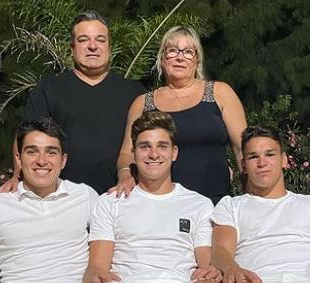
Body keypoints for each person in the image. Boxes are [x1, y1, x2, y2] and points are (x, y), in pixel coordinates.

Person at [0, 10, 145, 194]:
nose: (93, 46)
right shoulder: (48, 89)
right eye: (84, 40)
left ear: (109, 47)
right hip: (60, 201)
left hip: (119, 198)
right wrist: (17, 176)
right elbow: (26, 137)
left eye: (100, 40)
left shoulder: (135, 93)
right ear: (72, 48)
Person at [0, 118, 98, 283]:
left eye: (51, 152)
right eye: (32, 152)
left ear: (63, 160)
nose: (42, 160)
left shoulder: (84, 196)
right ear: (18, 159)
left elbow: (117, 244)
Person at [211, 126, 310, 283]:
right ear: (243, 165)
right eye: (253, 157)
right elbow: (221, 250)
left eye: (270, 154)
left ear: (284, 160)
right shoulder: (231, 206)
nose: (262, 162)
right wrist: (230, 268)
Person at [83, 111, 222, 283]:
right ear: (133, 153)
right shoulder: (110, 202)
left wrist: (209, 277)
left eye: (162, 146)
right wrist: (96, 276)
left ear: (174, 152)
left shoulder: (199, 205)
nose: (154, 154)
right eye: (145, 146)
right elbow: (97, 267)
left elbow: (206, 266)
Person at [115, 26, 247, 204]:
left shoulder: (220, 92)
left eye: (188, 52)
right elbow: (127, 152)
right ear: (162, 59)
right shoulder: (142, 103)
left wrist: (252, 194)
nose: (179, 57)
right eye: (172, 51)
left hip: (215, 203)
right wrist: (125, 173)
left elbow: (243, 149)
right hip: (158, 205)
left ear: (197, 60)